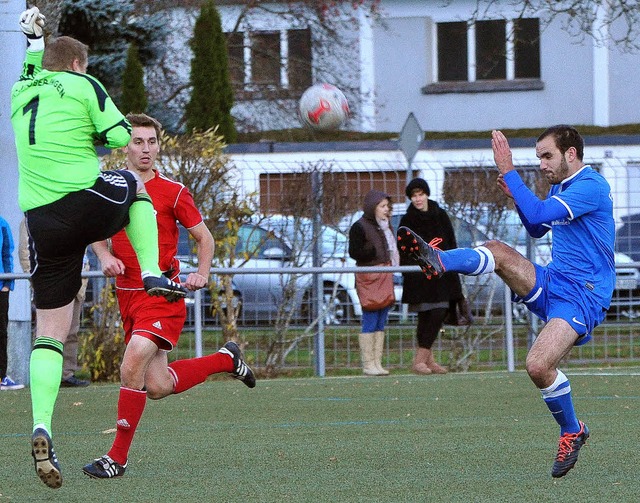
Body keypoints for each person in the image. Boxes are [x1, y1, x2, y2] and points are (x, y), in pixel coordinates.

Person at [10, 8, 187, 489]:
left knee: (50, 332)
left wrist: (33, 38)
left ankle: (41, 424)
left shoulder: (21, 89)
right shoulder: (83, 85)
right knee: (134, 184)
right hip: (81, 199)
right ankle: (151, 270)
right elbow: (118, 137)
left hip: (42, 221)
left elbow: (32, 62)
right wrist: (86, 127)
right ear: (76, 67)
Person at [397, 125, 615, 478]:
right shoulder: (562, 186)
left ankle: (572, 430)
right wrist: (517, 199)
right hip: (555, 281)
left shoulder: (591, 185)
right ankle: (439, 260)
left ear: (570, 154)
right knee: (498, 251)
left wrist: (509, 171)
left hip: (583, 295)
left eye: (547, 156)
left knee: (538, 365)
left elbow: (542, 216)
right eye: (538, 157)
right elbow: (537, 228)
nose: (542, 164)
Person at [82, 113, 256, 480]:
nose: (146, 149)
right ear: (125, 146)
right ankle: (226, 360)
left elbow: (205, 238)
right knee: (158, 386)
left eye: (152, 142)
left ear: (159, 146)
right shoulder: (110, 185)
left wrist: (202, 273)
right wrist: (104, 255)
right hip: (127, 296)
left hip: (162, 293)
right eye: (138, 142)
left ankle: (117, 458)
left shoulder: (173, 191)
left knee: (131, 366)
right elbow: (95, 229)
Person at [399, 178, 464, 375]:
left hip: (442, 273)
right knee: (425, 315)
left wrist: (453, 264)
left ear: (426, 194)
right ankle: (426, 360)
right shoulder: (407, 220)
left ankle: (422, 358)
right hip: (420, 276)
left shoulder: (440, 215)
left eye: (420, 194)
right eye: (414, 196)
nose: (418, 199)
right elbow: (404, 249)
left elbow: (450, 242)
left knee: (439, 312)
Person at [18, 219, 90, 388]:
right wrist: (35, 280)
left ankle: (66, 374)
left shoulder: (73, 216)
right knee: (46, 334)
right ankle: (43, 376)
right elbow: (25, 252)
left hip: (77, 283)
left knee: (72, 331)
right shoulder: (30, 218)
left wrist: (84, 276)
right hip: (50, 283)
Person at [348, 190, 399, 376]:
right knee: (371, 314)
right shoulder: (360, 227)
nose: (386, 210)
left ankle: (377, 362)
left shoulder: (385, 226)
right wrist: (369, 252)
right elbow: (354, 252)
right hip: (370, 277)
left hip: (385, 274)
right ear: (373, 208)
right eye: (382, 206)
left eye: (387, 206)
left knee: (382, 315)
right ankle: (368, 363)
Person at [0, 216, 24, 391]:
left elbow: (7, 253)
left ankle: (1, 377)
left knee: (1, 332)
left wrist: (8, 284)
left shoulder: (2, 224)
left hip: (1, 287)